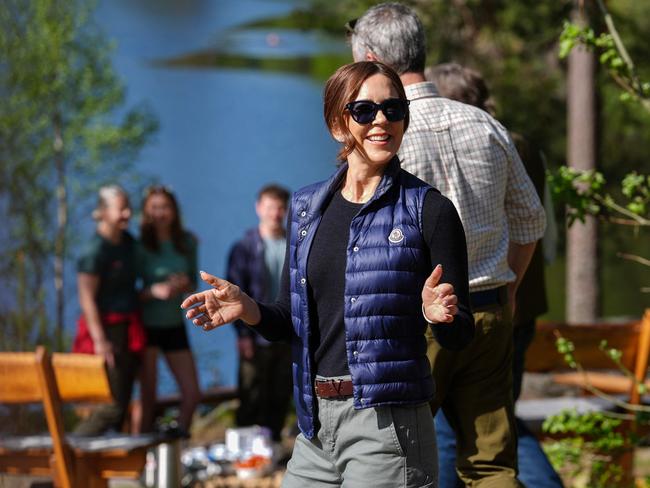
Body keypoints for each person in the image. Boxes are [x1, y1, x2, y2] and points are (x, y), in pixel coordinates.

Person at [182, 60, 474, 487]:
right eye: (365, 111)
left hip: (387, 427)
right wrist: (249, 309)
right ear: (339, 123)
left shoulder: (429, 210)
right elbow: (288, 318)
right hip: (315, 428)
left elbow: (461, 331)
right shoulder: (305, 209)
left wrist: (438, 315)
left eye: (394, 110)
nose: (382, 121)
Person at [349, 5, 546, 487]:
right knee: (493, 463)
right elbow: (530, 222)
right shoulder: (486, 126)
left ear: (372, 59)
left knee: (395, 460)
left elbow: (358, 243)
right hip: (491, 311)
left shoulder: (383, 134)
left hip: (418, 322)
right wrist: (510, 288)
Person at [426, 62, 564, 488]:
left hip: (478, 300)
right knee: (495, 425)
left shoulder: (475, 141)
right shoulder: (517, 143)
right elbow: (545, 230)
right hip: (517, 300)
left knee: (457, 429)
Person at [73, 185, 145, 435]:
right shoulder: (95, 250)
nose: (126, 214)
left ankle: (96, 467)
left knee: (122, 403)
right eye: (121, 209)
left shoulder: (127, 242)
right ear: (103, 212)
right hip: (105, 331)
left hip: (128, 329)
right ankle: (67, 456)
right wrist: (100, 341)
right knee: (110, 406)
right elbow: (86, 298)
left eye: (128, 208)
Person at [226, 184, 292, 444]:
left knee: (280, 393)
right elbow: (233, 294)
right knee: (251, 393)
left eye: (279, 207)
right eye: (269, 207)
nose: (275, 213)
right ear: (258, 208)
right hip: (254, 333)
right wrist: (242, 334)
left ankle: (271, 448)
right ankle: (242, 451)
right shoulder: (244, 248)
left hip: (287, 333)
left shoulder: (295, 243)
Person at [136, 185, 201, 438]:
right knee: (147, 397)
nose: (160, 213)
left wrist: (183, 285)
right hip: (147, 327)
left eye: (165, 207)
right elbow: (130, 294)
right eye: (154, 207)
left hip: (174, 324)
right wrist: (154, 291)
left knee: (193, 393)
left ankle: (172, 439)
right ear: (146, 211)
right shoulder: (140, 245)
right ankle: (137, 458)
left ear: (174, 210)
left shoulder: (187, 242)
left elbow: (194, 285)